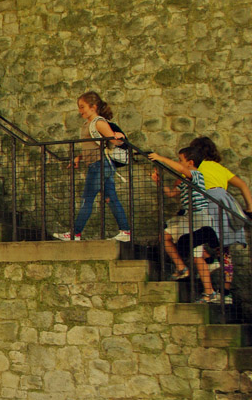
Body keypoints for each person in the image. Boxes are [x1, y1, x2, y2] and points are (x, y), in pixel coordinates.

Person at [54, 92, 131, 242]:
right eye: (79, 107)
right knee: (111, 198)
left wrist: (119, 138)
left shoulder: (98, 122)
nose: (80, 110)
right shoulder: (89, 124)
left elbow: (114, 142)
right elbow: (94, 145)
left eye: (82, 107)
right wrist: (79, 157)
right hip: (100, 165)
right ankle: (125, 231)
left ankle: (75, 233)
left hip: (99, 165)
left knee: (87, 199)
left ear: (93, 107)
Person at [149, 147, 219, 302]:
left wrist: (160, 158)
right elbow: (171, 193)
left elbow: (181, 168)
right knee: (165, 236)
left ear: (190, 162)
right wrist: (159, 182)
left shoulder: (196, 175)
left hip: (199, 219)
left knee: (197, 255)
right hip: (188, 218)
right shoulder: (185, 180)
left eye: (181, 159)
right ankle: (181, 268)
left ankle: (210, 292)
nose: (179, 163)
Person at [190, 136, 250, 304]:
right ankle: (226, 292)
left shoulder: (196, 167)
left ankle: (209, 266)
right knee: (225, 250)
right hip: (225, 204)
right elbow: (243, 185)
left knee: (194, 241)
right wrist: (250, 208)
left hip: (207, 204)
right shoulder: (220, 168)